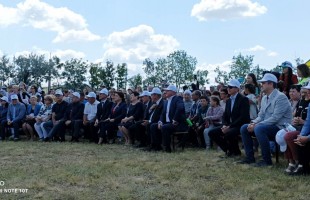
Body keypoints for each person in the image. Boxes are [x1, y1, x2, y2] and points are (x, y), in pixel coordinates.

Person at [239, 73, 292, 166]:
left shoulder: (281, 97)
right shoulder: (264, 98)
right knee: (244, 127)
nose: (261, 85)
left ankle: (266, 160)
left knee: (259, 128)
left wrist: (257, 125)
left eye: (263, 83)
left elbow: (275, 118)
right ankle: (250, 157)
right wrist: (253, 123)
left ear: (271, 84)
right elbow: (261, 115)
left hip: (280, 127)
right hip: (268, 126)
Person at [209, 79, 250, 157]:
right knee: (212, 132)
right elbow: (225, 116)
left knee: (229, 132)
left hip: (240, 125)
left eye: (230, 87)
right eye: (228, 87)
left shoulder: (243, 99)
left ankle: (235, 151)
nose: (228, 89)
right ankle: (229, 150)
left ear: (237, 89)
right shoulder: (228, 101)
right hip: (231, 124)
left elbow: (243, 117)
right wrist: (224, 125)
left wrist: (229, 126)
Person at [150, 85, 187, 153]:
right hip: (168, 123)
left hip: (177, 124)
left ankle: (167, 148)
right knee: (153, 126)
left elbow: (180, 108)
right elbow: (163, 114)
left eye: (167, 90)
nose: (165, 92)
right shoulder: (166, 101)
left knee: (165, 127)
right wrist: (160, 121)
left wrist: (175, 119)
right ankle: (157, 147)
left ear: (173, 92)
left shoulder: (178, 98)